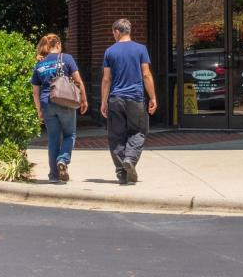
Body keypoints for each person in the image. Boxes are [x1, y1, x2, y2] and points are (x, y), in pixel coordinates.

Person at [100, 18, 157, 184]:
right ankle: (130, 159)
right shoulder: (141, 49)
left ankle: (121, 172)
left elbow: (106, 79)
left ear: (117, 32)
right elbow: (146, 74)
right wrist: (152, 97)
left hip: (116, 98)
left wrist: (104, 102)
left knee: (116, 136)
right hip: (136, 98)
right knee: (139, 131)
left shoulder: (109, 51)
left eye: (113, 33)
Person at [31, 33, 88, 183]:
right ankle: (63, 159)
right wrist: (84, 99)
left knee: (53, 139)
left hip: (47, 103)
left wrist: (39, 110)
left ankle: (54, 176)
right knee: (70, 134)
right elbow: (78, 81)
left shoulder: (39, 64)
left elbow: (35, 91)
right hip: (65, 101)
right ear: (58, 45)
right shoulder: (66, 58)